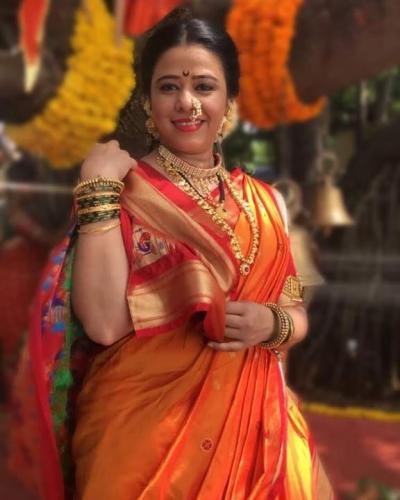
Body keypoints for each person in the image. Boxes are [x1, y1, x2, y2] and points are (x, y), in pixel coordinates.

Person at [27, 8, 334, 499]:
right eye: (169, 87)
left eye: (204, 87)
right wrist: (98, 189)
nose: (187, 102)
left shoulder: (266, 203)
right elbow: (104, 324)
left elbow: (294, 313)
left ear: (229, 101)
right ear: (147, 101)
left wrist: (270, 323)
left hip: (258, 434)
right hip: (143, 443)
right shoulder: (119, 190)